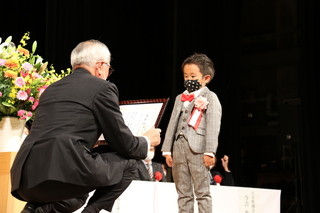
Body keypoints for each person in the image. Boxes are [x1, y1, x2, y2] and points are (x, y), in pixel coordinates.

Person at [10, 39, 162, 213]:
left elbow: (59, 129)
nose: (107, 74)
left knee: (77, 195)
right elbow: (125, 144)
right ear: (100, 66)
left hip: (26, 177)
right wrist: (145, 141)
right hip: (65, 172)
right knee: (130, 164)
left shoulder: (51, 89)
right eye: (108, 69)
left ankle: (35, 209)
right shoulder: (103, 88)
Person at [161, 53, 222, 213]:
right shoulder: (180, 98)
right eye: (186, 75)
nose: (189, 79)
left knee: (202, 192)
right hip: (178, 149)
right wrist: (167, 150)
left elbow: (213, 126)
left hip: (199, 150)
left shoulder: (211, 97)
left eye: (193, 76)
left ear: (206, 78)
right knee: (183, 192)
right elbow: (172, 124)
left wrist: (210, 151)